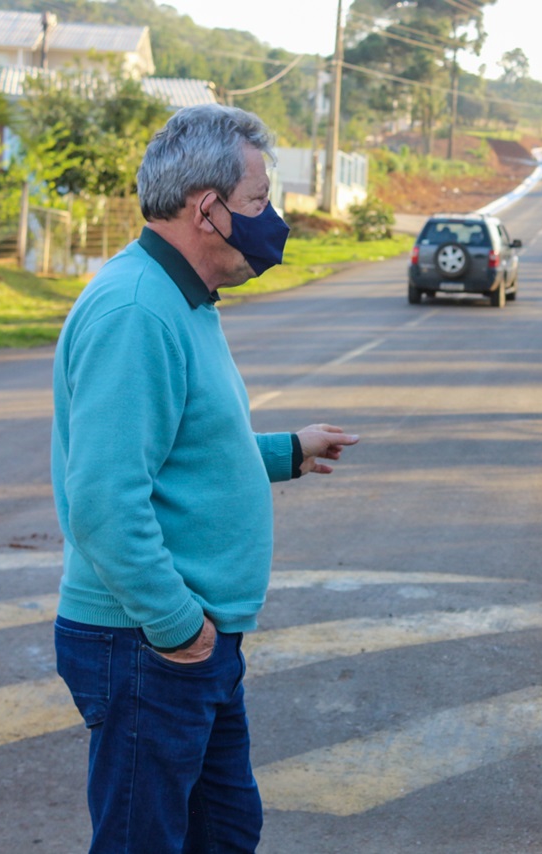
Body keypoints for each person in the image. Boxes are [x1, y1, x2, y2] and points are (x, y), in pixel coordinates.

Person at [50, 104, 359, 854]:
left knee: (222, 833)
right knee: (146, 841)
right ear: (207, 210)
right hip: (149, 640)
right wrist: (179, 627)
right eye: (259, 203)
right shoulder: (136, 311)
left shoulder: (183, 303)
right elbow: (103, 499)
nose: (273, 219)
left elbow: (182, 447)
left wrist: (286, 450)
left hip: (185, 639)